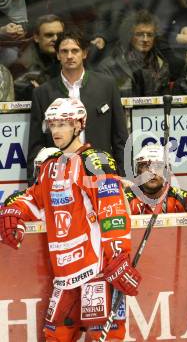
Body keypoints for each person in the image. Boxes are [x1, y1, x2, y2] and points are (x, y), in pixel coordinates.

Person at [0, 97, 141, 341]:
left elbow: (113, 210)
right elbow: (33, 200)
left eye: (63, 124)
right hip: (64, 276)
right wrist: (13, 210)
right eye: (52, 125)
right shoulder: (50, 167)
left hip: (96, 271)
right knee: (55, 336)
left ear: (78, 125)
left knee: (104, 337)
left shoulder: (95, 161)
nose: (56, 131)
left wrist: (118, 256)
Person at [27, 29, 129, 182]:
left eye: (75, 50)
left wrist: (124, 178)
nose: (69, 56)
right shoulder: (42, 93)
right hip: (59, 178)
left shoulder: (107, 86)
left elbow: (120, 138)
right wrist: (34, 183)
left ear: (85, 53)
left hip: (102, 174)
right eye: (64, 51)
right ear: (58, 55)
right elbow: (36, 146)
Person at [97, 9, 170, 97]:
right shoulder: (111, 66)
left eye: (150, 35)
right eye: (139, 34)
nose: (145, 39)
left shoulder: (161, 66)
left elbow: (165, 104)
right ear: (130, 36)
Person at [125, 144, 187, 214]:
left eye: (158, 166)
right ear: (139, 171)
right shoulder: (125, 199)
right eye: (147, 166)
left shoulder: (183, 199)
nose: (152, 172)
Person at [11, 14, 64, 100]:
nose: (55, 39)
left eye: (60, 35)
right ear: (36, 37)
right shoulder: (24, 65)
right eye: (49, 35)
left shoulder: (70, 57)